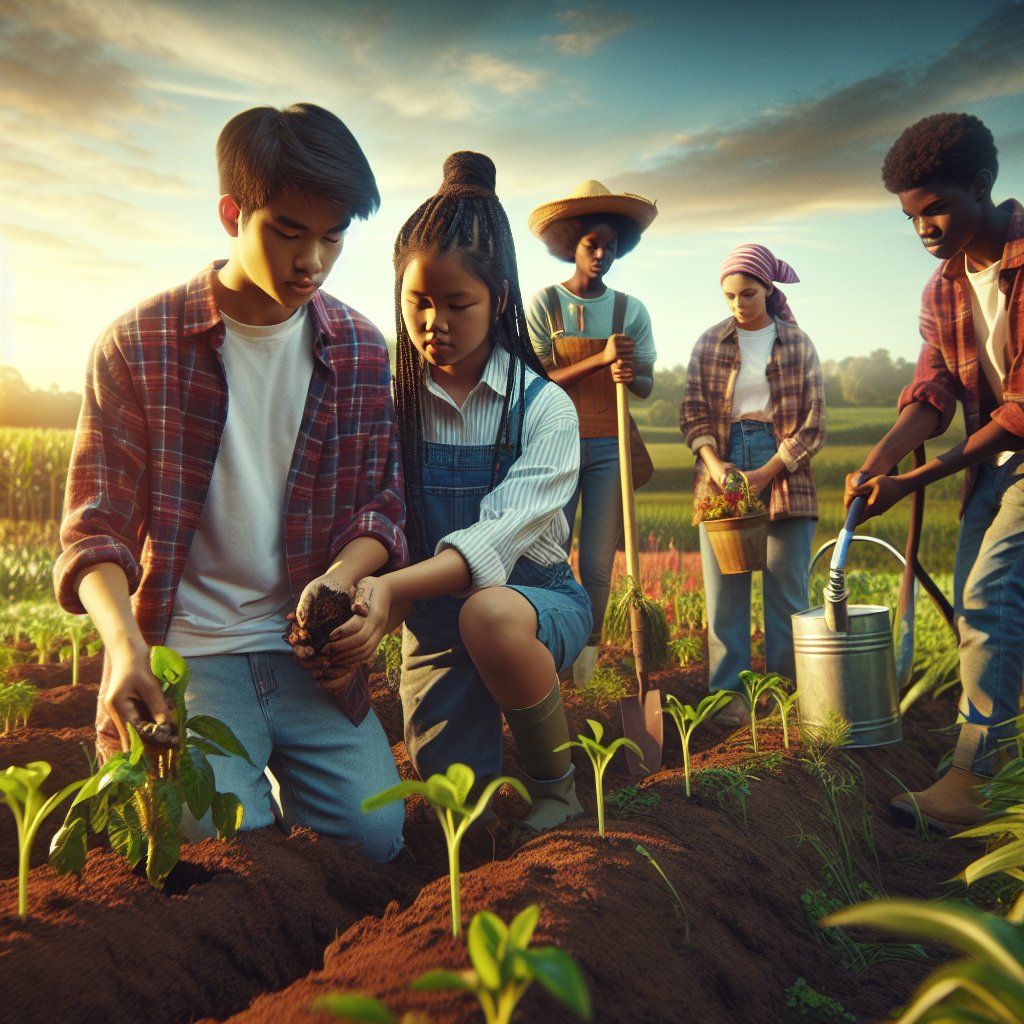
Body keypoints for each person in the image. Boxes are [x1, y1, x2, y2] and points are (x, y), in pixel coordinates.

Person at [53, 103, 407, 862]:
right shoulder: (138, 345)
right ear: (231, 213)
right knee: (213, 849)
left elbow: (380, 504)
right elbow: (96, 526)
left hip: (305, 655)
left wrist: (348, 580)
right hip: (189, 652)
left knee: (376, 837)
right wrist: (123, 648)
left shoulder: (358, 349)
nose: (312, 259)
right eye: (288, 230)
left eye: (334, 235)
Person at [322, 152, 591, 837]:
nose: (434, 321)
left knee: (490, 615)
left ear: (499, 299)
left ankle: (556, 789)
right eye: (418, 302)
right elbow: (375, 516)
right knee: (454, 820)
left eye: (457, 303)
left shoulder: (544, 408)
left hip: (532, 603)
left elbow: (496, 538)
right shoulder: (395, 405)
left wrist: (395, 589)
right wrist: (372, 595)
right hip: (434, 628)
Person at [846, 112, 1023, 832]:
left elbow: (1018, 410)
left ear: (981, 186)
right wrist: (878, 460)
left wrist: (912, 484)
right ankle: (997, 754)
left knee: (989, 598)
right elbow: (936, 393)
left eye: (937, 207)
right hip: (999, 465)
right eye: (911, 216)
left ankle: (974, 779)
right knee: (985, 605)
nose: (923, 227)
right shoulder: (943, 290)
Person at [681, 244, 825, 724]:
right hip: (721, 462)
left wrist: (767, 471)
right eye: (729, 296)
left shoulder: (798, 343)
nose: (739, 304)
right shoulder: (709, 343)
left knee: (787, 590)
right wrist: (715, 464)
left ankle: (784, 697)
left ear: (768, 289)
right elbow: (694, 412)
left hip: (782, 462)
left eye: (748, 293)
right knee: (724, 591)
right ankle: (729, 700)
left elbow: (813, 422)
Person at [525, 180, 659, 687]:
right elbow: (535, 379)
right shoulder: (544, 306)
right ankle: (553, 652)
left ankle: (588, 663)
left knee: (599, 563)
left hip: (611, 446)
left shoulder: (632, 310)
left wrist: (630, 373)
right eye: (591, 245)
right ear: (571, 246)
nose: (602, 255)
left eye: (611, 246)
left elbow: (644, 384)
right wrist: (600, 360)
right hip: (555, 444)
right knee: (550, 555)